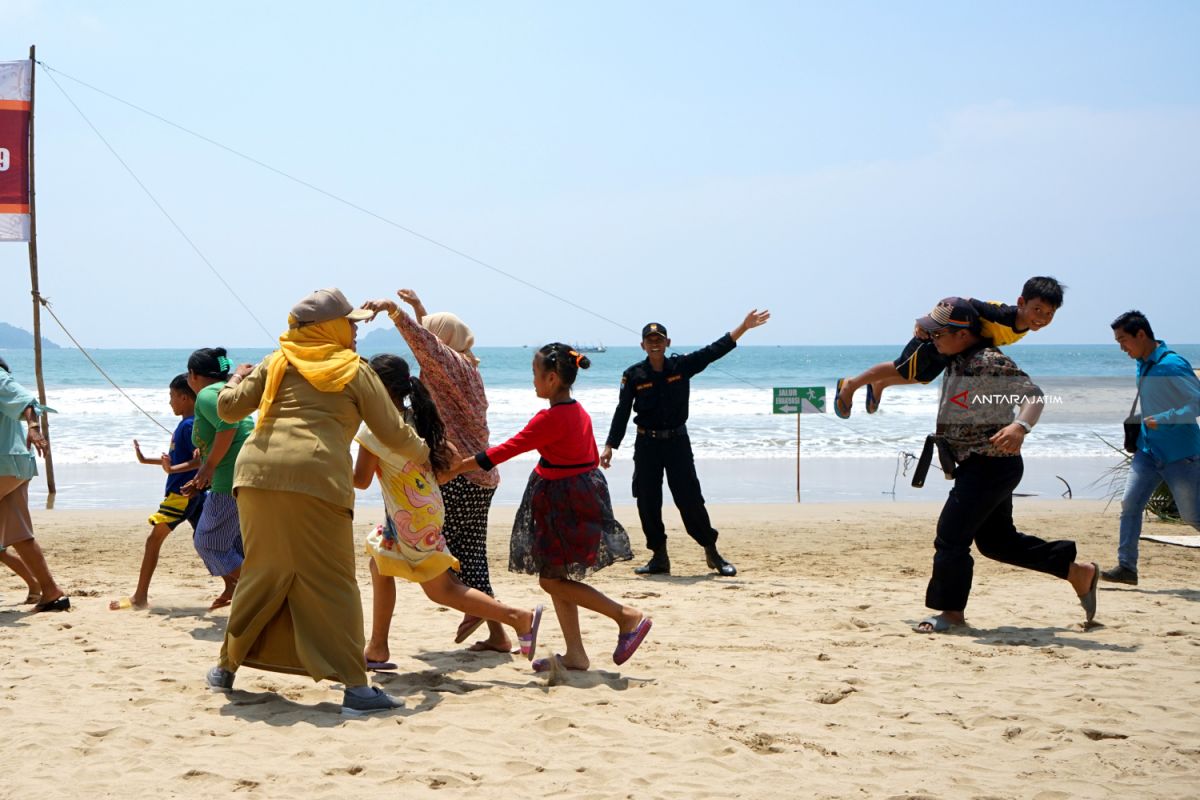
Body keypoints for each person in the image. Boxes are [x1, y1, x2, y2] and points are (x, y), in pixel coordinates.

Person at [205, 288, 429, 718]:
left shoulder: (277, 360)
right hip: (316, 478)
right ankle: (358, 691)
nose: (356, 330)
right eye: (351, 323)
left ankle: (225, 669)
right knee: (333, 581)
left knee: (260, 571)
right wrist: (426, 454)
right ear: (329, 327)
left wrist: (233, 379)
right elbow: (391, 431)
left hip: (255, 475)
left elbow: (229, 410)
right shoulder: (353, 369)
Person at [450, 343, 650, 674]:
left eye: (535, 374)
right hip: (575, 496)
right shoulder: (577, 410)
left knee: (552, 582)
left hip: (566, 502)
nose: (532, 381)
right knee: (556, 576)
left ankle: (625, 616)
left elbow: (506, 450)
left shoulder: (551, 418)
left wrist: (456, 468)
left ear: (553, 378)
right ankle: (575, 654)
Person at [910, 298, 1099, 633]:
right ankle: (1077, 572)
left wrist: (1019, 427)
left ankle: (951, 614)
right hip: (980, 466)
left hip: (991, 465)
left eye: (940, 332)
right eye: (934, 331)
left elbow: (1033, 396)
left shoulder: (988, 361)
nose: (934, 337)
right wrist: (925, 331)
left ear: (963, 334)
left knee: (951, 537)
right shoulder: (953, 354)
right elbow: (917, 350)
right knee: (998, 543)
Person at [354, 353, 541, 669]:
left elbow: (359, 480)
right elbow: (448, 464)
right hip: (421, 510)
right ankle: (377, 648)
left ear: (378, 388)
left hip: (408, 518)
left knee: (442, 591)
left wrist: (326, 462)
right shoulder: (417, 418)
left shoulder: (376, 430)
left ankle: (518, 617)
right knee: (380, 564)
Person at [361, 290, 510, 653]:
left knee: (452, 564)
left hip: (458, 475)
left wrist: (394, 310)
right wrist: (418, 309)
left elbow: (427, 342)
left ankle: (501, 617)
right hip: (479, 475)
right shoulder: (468, 368)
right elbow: (434, 340)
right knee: (470, 554)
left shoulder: (451, 367)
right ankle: (499, 632)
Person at [601, 310, 771, 577]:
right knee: (647, 501)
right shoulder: (633, 375)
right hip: (647, 445)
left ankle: (712, 552)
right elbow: (622, 411)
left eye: (660, 339)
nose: (655, 343)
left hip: (677, 443)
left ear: (668, 343)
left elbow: (714, 350)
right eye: (650, 339)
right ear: (642, 345)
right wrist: (611, 445)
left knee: (690, 499)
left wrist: (744, 328)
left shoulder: (682, 366)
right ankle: (659, 556)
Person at [835, 277, 1065, 419]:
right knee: (902, 367)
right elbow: (962, 302)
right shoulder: (1002, 314)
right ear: (1022, 303)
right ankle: (851, 385)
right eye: (1038, 310)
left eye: (1049, 314)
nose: (1042, 318)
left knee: (922, 377)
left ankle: (880, 383)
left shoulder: (1022, 326)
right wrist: (927, 319)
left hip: (956, 346)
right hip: (938, 336)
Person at [1101, 310, 1200, 586]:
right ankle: (1126, 567)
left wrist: (1166, 418)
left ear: (1141, 335)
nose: (1122, 347)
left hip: (1181, 456)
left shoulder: (1172, 365)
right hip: (1147, 451)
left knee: (1194, 517)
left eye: (1123, 340)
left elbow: (1198, 403)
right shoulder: (1141, 363)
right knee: (1130, 504)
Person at [110, 374, 205, 610]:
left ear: (185, 398)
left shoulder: (189, 425)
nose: (170, 402)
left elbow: (200, 460)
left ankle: (139, 597)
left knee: (154, 541)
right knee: (206, 541)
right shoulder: (187, 424)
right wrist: (146, 459)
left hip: (182, 495)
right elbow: (176, 461)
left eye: (172, 396)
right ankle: (232, 584)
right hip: (192, 494)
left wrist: (172, 468)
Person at [181, 349, 250, 611]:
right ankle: (244, 592)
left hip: (230, 479)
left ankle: (258, 591)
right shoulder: (224, 389)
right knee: (236, 543)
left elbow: (229, 426)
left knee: (208, 541)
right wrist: (204, 471)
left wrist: (209, 467)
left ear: (193, 376)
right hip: (241, 476)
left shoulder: (208, 394)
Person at [0, 355, 69, 612]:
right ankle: (50, 591)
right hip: (17, 465)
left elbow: (26, 398)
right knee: (19, 534)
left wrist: (33, 426)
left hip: (5, 464)